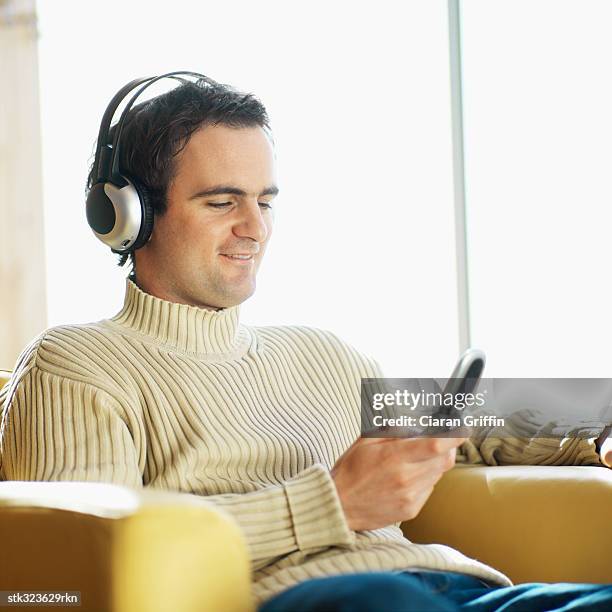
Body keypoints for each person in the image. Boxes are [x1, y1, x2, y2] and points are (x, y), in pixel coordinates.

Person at [0, 75, 610, 611]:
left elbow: (469, 415)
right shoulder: (76, 366)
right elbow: (86, 565)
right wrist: (332, 504)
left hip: (460, 590)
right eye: (221, 202)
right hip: (321, 601)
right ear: (127, 215)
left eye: (265, 202)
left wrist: (597, 427)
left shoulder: (323, 356)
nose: (256, 228)